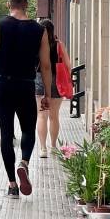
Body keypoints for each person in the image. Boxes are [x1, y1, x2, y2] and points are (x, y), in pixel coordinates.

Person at [0, 0, 52, 198]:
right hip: (26, 85)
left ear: (9, 4)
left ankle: (12, 184)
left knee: (6, 134)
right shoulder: (40, 31)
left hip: (3, 85)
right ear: (26, 4)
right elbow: (46, 66)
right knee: (28, 129)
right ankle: (24, 162)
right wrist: (47, 94)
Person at [35, 19, 68, 158]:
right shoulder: (59, 45)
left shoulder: (35, 45)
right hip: (56, 81)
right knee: (54, 116)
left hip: (39, 80)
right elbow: (68, 64)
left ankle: (43, 149)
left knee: (41, 116)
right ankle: (53, 147)